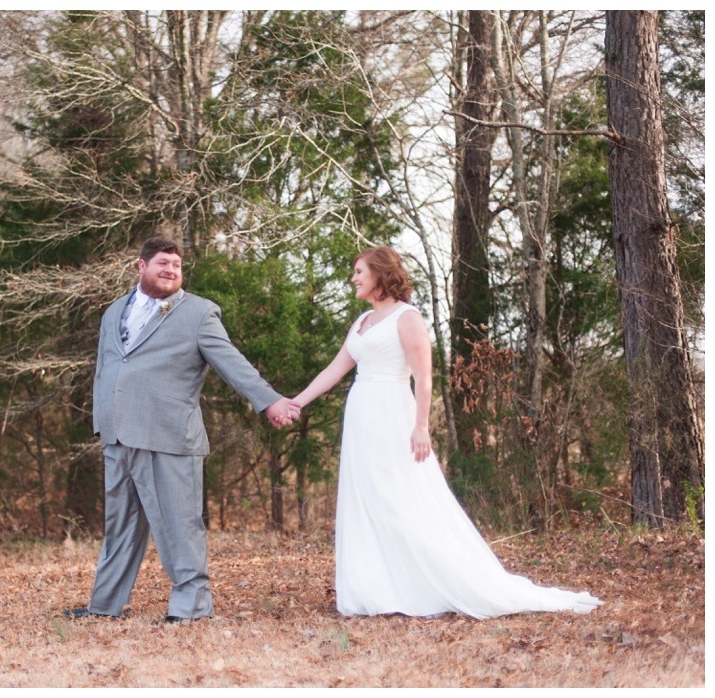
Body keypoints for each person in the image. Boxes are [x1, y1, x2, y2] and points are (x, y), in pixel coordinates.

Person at [291, 246, 602, 619]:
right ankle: (374, 588)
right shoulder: (362, 322)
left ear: (380, 273)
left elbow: (424, 377)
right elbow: (334, 370)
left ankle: (424, 583)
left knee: (398, 497)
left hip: (393, 414)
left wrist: (421, 426)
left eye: (360, 271)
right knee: (366, 497)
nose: (353, 278)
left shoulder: (407, 318)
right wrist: (297, 402)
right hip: (361, 417)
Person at [64, 236, 300, 624]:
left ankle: (191, 608)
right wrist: (101, 419)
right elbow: (107, 367)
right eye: (162, 263)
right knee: (119, 526)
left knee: (179, 525)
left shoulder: (199, 313)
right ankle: (104, 605)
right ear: (141, 267)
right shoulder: (113, 312)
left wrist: (269, 400)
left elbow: (231, 362)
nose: (171, 270)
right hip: (118, 435)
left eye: (176, 265)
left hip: (169, 436)